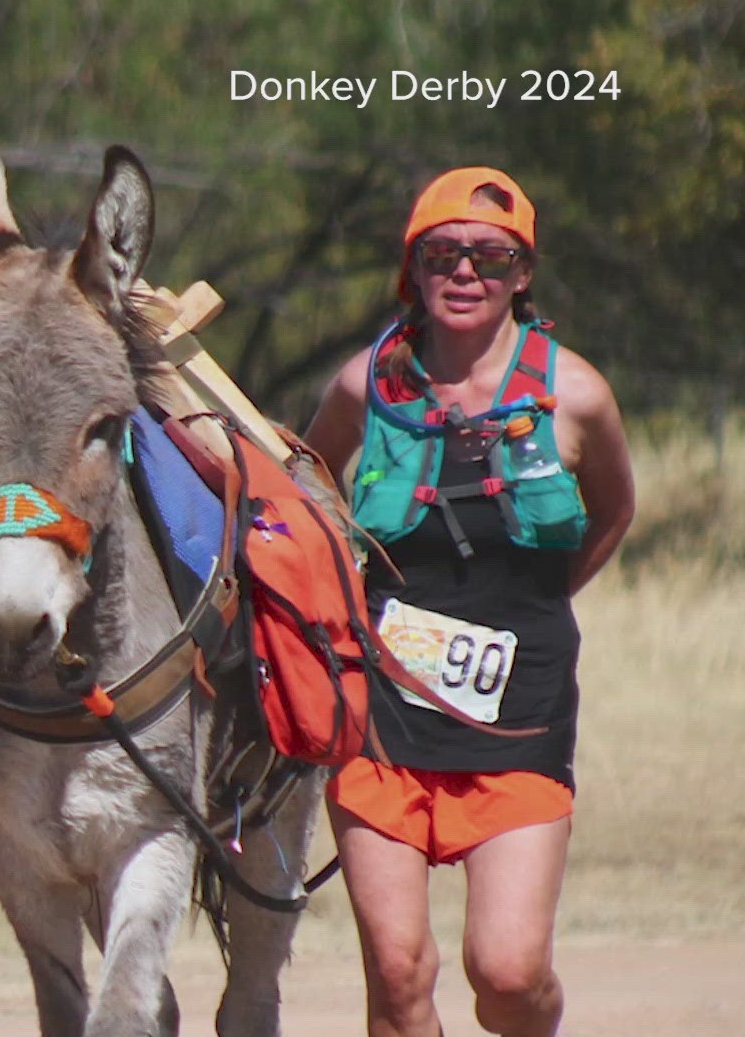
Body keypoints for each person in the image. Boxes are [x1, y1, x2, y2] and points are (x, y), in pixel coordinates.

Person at [303, 167, 635, 1037]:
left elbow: (615, 511)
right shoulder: (360, 387)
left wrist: (538, 604)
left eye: (490, 257)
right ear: (412, 269)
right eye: (442, 253)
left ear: (523, 274)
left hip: (518, 716)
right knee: (398, 973)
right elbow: (302, 496)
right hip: (382, 715)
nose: (464, 272)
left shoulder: (579, 398)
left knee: (509, 974)